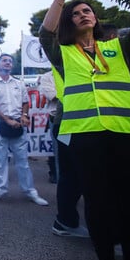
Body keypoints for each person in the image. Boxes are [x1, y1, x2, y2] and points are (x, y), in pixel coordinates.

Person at [39, 0, 130, 260]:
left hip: (127, 133)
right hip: (86, 135)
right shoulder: (64, 52)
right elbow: (45, 33)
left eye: (87, 11)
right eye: (76, 12)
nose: (82, 14)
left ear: (96, 18)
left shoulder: (119, 48)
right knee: (97, 201)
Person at [0, 54, 48, 206]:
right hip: (1, 125)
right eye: (4, 60)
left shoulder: (19, 83)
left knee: (23, 161)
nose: (8, 63)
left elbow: (25, 102)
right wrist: (6, 119)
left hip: (18, 126)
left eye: (10, 61)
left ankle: (30, 191)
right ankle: (0, 189)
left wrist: (25, 115)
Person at [38, 70, 89, 239]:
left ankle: (69, 213)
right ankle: (66, 216)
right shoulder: (48, 77)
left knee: (77, 171)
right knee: (66, 171)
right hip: (63, 124)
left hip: (85, 123)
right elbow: (55, 96)